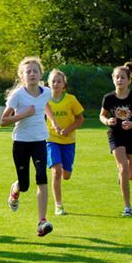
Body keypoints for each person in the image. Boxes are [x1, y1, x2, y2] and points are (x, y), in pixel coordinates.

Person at [0, 57, 53, 237]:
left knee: (42, 177)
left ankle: (42, 221)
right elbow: (3, 121)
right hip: (21, 142)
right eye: (27, 71)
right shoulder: (17, 96)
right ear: (22, 76)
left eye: (34, 71)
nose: (31, 74)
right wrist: (23, 114)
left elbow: (45, 106)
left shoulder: (46, 92)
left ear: (40, 74)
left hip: (39, 141)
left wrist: (52, 121)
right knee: (24, 184)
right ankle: (15, 191)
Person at [99, 62, 132, 216]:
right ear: (113, 79)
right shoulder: (108, 98)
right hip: (115, 135)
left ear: (129, 80)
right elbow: (102, 115)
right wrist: (107, 121)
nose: (119, 80)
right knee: (123, 168)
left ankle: (122, 176)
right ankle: (127, 207)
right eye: (117, 77)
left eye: (122, 77)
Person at [44, 69, 84, 216]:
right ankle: (58, 205)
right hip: (51, 139)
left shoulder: (71, 100)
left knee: (66, 175)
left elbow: (80, 119)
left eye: (59, 81)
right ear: (48, 83)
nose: (55, 84)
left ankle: (64, 172)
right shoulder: (44, 99)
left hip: (68, 141)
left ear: (64, 84)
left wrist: (68, 129)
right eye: (53, 81)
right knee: (56, 170)